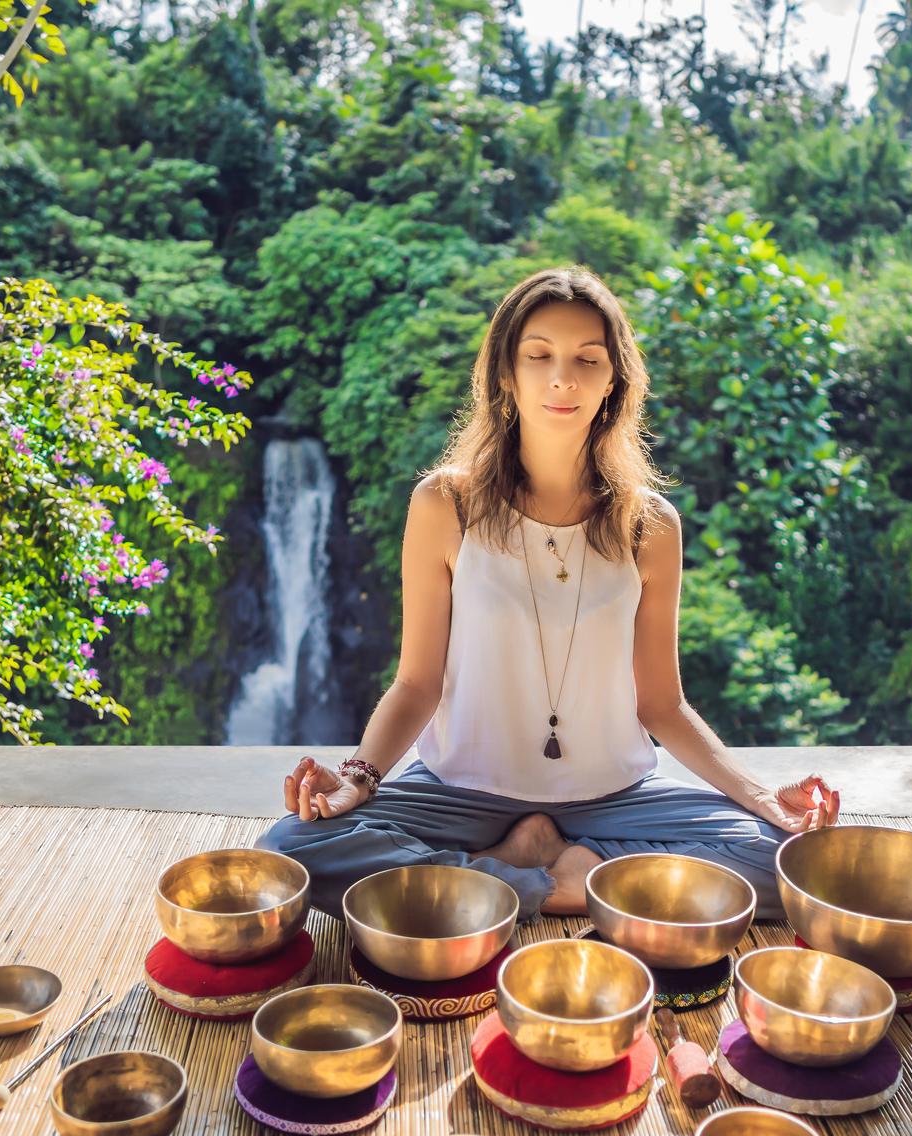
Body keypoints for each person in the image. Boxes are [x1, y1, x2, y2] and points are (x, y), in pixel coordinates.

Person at [256, 266, 842, 921]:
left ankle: (525, 878)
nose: (563, 377)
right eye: (539, 356)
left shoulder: (650, 526)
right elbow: (416, 684)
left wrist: (760, 798)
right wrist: (357, 782)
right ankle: (563, 878)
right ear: (506, 373)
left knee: (796, 866)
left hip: (612, 792)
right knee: (294, 847)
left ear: (614, 379)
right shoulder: (446, 504)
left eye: (587, 360)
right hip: (461, 791)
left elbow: (663, 704)